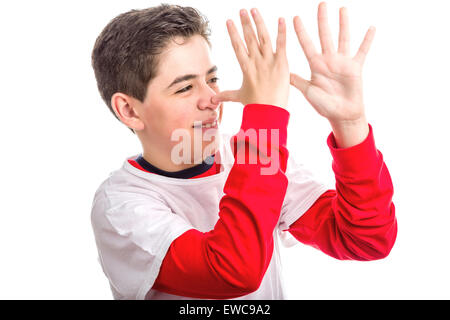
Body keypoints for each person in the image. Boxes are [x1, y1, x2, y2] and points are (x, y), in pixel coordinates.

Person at [90, 2, 397, 300]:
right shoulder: (119, 207)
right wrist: (265, 116)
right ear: (129, 110)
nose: (212, 98)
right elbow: (234, 271)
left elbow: (366, 239)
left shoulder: (249, 154)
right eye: (185, 88)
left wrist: (350, 124)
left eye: (212, 79)